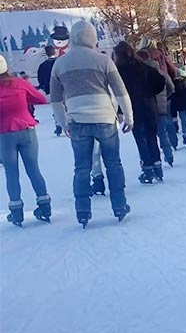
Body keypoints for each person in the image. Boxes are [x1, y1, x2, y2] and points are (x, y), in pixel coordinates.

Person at [50, 21, 133, 227]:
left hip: (77, 121)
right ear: (92, 37)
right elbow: (121, 91)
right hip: (105, 119)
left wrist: (63, 123)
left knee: (81, 168)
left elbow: (55, 100)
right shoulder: (103, 61)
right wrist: (129, 117)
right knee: (113, 164)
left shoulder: (59, 64)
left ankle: (83, 211)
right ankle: (120, 205)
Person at [0, 56, 51, 226]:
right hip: (26, 129)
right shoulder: (19, 83)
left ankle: (16, 212)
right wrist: (23, 100)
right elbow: (41, 99)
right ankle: (44, 206)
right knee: (33, 169)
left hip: (4, 134)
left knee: (11, 173)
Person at [115, 44, 166, 183]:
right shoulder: (144, 67)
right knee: (151, 136)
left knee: (141, 139)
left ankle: (148, 170)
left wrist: (120, 110)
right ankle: (158, 166)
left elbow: (118, 93)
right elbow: (160, 82)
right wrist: (151, 93)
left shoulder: (119, 71)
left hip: (133, 108)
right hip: (149, 106)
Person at [139, 41, 177, 166]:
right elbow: (170, 85)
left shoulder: (138, 73)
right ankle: (169, 155)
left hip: (146, 108)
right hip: (161, 106)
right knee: (162, 132)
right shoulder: (160, 71)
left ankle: (149, 160)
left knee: (147, 135)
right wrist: (166, 96)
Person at [37, 45, 63, 136]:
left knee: (56, 107)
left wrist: (44, 87)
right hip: (64, 87)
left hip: (51, 89)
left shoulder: (42, 66)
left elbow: (40, 79)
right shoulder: (61, 62)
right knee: (66, 106)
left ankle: (58, 125)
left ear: (46, 53)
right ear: (54, 52)